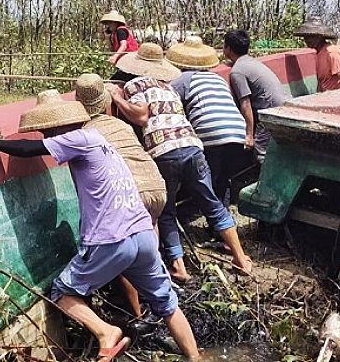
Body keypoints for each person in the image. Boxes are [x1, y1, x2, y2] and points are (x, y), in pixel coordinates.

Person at [0, 90, 199, 361]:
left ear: (57, 126)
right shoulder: (100, 141)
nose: (47, 138)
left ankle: (106, 332)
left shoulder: (78, 139)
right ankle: (196, 357)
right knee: (167, 304)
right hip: (142, 233)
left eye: (47, 132)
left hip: (110, 239)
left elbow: (28, 150)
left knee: (62, 291)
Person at [109, 43, 253, 282]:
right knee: (212, 203)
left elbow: (141, 116)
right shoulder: (168, 87)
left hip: (164, 151)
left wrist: (117, 97)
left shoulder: (135, 84)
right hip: (192, 147)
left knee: (167, 211)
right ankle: (240, 258)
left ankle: (178, 266)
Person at [74, 73, 169, 327]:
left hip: (131, 191)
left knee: (128, 256)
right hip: (156, 185)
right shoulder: (121, 124)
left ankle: (138, 314)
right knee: (149, 252)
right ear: (106, 103)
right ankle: (160, 302)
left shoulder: (85, 133)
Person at [167, 37, 249, 206]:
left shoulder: (183, 79)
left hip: (212, 132)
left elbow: (167, 98)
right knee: (223, 179)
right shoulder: (218, 78)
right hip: (238, 130)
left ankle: (214, 218)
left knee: (207, 178)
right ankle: (223, 217)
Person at [222, 29, 290, 163]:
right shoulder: (251, 62)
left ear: (228, 49)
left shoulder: (237, 72)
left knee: (261, 152)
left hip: (270, 110)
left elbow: (245, 103)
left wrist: (249, 135)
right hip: (284, 105)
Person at [294, 18, 340, 92]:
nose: (307, 40)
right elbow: (321, 81)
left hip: (336, 96)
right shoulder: (318, 54)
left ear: (319, 37)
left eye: (311, 37)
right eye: (306, 37)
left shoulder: (331, 52)